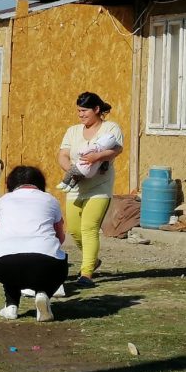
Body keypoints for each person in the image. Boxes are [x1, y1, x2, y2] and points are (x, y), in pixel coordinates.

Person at [57, 91, 124, 288]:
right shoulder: (73, 131)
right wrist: (71, 170)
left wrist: (98, 157)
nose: (81, 115)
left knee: (89, 228)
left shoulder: (110, 127)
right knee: (75, 230)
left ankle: (86, 273)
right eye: (78, 111)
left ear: (96, 110)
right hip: (76, 185)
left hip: (99, 186)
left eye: (84, 110)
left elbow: (117, 149)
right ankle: (92, 260)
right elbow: (62, 154)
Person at [0, 165, 67, 322]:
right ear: (40, 183)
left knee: (11, 262)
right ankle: (43, 293)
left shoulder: (3, 200)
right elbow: (60, 237)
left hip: (1, 265)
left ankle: (11, 306)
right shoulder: (51, 200)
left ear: (11, 184)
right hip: (45, 261)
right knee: (56, 261)